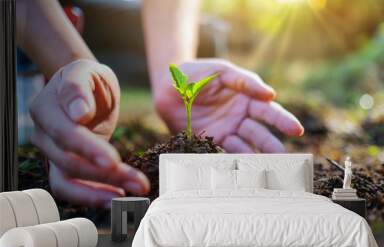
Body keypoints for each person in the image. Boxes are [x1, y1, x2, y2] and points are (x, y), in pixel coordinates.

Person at [17, 0, 304, 208]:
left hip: (117, 14)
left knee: (211, 32)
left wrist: (174, 65)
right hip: (31, 22)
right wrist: (68, 64)